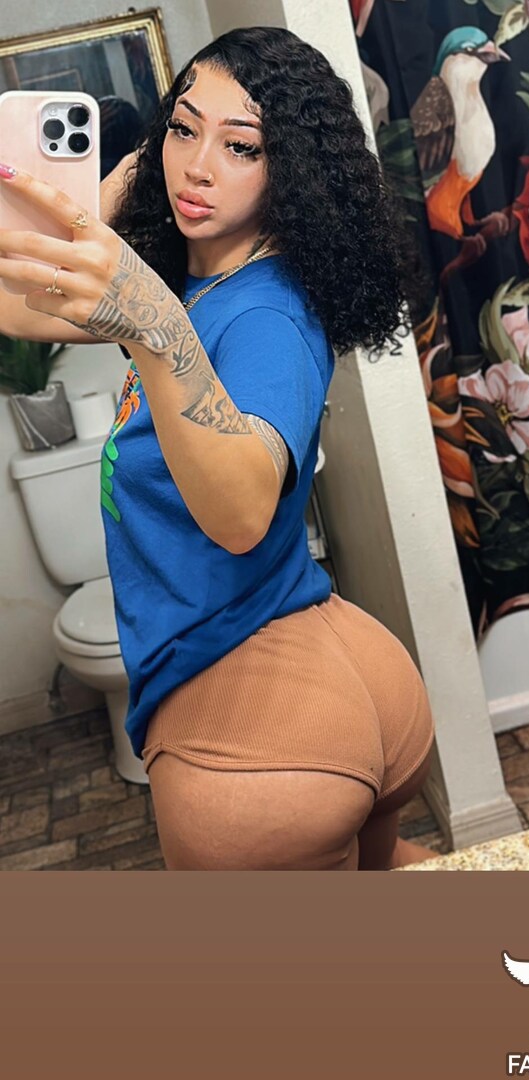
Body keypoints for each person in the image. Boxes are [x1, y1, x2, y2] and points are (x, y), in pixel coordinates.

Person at [0, 26, 435, 871]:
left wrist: (154, 325)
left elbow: (239, 516)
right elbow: (19, 310)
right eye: (183, 128)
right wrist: (117, 184)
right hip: (332, 666)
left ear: (292, 170)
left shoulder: (267, 315)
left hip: (258, 727)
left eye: (241, 147)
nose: (197, 167)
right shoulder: (197, 280)